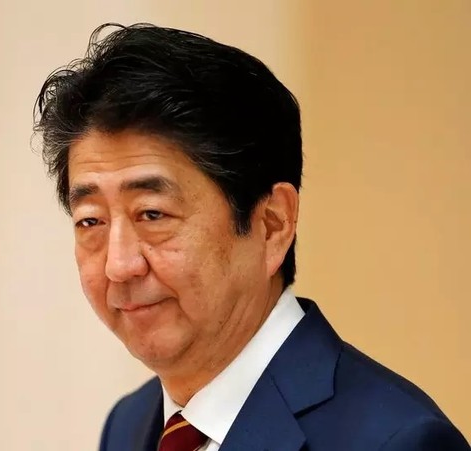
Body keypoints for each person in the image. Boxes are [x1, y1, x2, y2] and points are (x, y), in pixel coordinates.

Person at [32, 23, 469, 451]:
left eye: (152, 214)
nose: (119, 265)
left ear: (272, 224)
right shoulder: (129, 424)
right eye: (91, 221)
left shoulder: (399, 441)